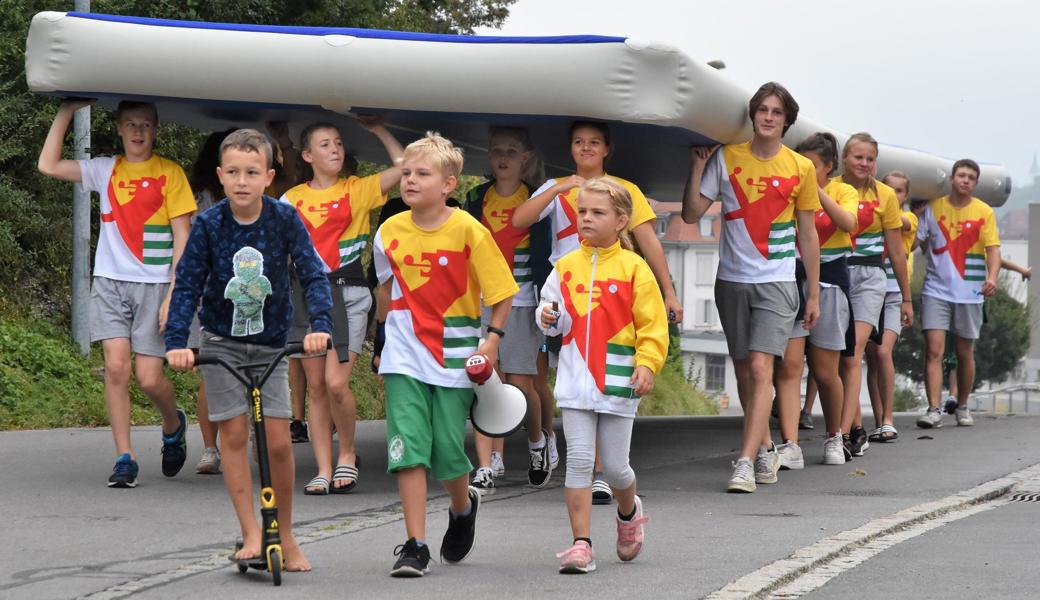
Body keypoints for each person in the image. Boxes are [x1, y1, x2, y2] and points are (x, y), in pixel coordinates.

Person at [165, 128, 333, 572]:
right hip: (221, 343)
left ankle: (287, 534)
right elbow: (187, 285)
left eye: (252, 172)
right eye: (234, 172)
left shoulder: (283, 218)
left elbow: (313, 274)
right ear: (221, 176)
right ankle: (253, 531)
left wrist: (320, 327)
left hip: (270, 345)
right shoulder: (208, 224)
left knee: (278, 442)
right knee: (235, 437)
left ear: (269, 177)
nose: (242, 181)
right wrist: (177, 343)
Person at [372, 133, 517, 577]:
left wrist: (491, 340)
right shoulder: (388, 231)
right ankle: (415, 545)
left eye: (422, 174)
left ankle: (461, 505)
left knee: (447, 451)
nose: (411, 181)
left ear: (449, 184)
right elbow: (385, 290)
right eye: (407, 173)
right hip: (404, 356)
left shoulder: (469, 230)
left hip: (456, 358)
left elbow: (502, 291)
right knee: (408, 449)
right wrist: (380, 345)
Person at [513, 119, 682, 501]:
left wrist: (669, 292)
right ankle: (573, 461)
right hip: (566, 290)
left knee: (605, 369)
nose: (585, 148)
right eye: (577, 142)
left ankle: (605, 470)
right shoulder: (558, 188)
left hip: (611, 292)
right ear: (569, 148)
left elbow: (648, 242)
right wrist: (560, 188)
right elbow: (519, 220)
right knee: (572, 375)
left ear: (607, 149)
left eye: (594, 142)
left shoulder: (625, 191)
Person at [38, 99, 196, 488]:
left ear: (155, 130)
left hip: (157, 285)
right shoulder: (105, 169)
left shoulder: (169, 172)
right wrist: (66, 113)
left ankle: (173, 424)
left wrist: (175, 293)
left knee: (148, 379)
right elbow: (48, 165)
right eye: (130, 124)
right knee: (115, 368)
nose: (138, 131)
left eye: (145, 124)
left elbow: (183, 236)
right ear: (120, 130)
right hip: (109, 281)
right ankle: (124, 457)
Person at [682, 82, 822, 493]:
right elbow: (691, 214)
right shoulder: (727, 158)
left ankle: (743, 461)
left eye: (776, 112)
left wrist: (813, 293)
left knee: (763, 368)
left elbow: (809, 234)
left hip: (777, 281)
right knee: (744, 370)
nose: (768, 117)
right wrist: (697, 167)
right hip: (732, 280)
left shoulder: (800, 168)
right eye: (762, 109)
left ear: (786, 120)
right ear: (753, 115)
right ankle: (763, 447)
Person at [538, 178, 667, 574]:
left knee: (614, 468)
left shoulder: (635, 269)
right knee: (578, 460)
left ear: (621, 220)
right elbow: (550, 315)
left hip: (618, 378)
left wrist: (647, 363)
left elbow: (652, 325)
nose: (586, 219)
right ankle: (581, 544)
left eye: (597, 213)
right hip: (576, 378)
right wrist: (547, 318)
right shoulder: (564, 267)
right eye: (581, 212)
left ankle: (628, 511)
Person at [281, 117, 403, 494]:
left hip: (348, 291)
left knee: (336, 383)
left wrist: (380, 130)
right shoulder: (291, 199)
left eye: (337, 143)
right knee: (316, 386)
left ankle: (346, 454)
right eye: (325, 145)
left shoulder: (357, 189)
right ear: (307, 155)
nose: (334, 149)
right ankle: (322, 467)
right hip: (306, 296)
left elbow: (404, 167)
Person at [464, 127, 554, 492]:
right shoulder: (474, 197)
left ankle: (537, 444)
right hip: (484, 300)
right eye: (497, 151)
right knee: (485, 381)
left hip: (522, 300)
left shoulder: (536, 199)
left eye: (512, 152)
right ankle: (487, 463)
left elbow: (545, 251)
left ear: (525, 159)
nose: (503, 158)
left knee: (522, 383)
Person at [774, 133, 858, 468]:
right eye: (801, 163)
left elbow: (848, 223)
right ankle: (790, 443)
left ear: (829, 167)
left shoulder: (843, 191)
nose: (804, 170)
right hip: (791, 278)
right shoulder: (789, 189)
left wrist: (815, 190)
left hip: (830, 281)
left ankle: (835, 436)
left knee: (826, 371)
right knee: (790, 366)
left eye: (812, 166)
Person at [837, 133, 911, 459]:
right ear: (844, 158)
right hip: (837, 272)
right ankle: (855, 428)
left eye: (870, 158)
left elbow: (896, 250)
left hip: (871, 277)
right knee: (839, 356)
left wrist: (906, 298)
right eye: (858, 157)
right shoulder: (831, 188)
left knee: (853, 352)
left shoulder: (885, 196)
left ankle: (839, 433)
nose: (865, 164)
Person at [916, 159, 1000, 428]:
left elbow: (993, 250)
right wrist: (912, 218)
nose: (965, 180)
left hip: (970, 289)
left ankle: (962, 404)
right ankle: (933, 409)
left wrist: (993, 278)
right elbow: (915, 242)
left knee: (965, 351)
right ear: (952, 178)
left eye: (971, 177)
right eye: (961, 175)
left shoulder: (984, 211)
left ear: (975, 183)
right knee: (934, 350)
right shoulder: (933, 207)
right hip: (935, 289)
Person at [187, 129, 234, 474]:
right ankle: (209, 448)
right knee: (211, 373)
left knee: (249, 374)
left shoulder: (257, 196)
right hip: (208, 296)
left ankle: (242, 444)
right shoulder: (199, 196)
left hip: (248, 296)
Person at [864, 171, 918, 443]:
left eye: (899, 190)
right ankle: (878, 420)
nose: (893, 194)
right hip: (867, 292)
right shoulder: (873, 215)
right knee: (871, 357)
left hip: (894, 295)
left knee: (884, 352)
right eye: (888, 188)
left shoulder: (908, 218)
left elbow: (904, 223)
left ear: (905, 195)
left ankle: (888, 419)